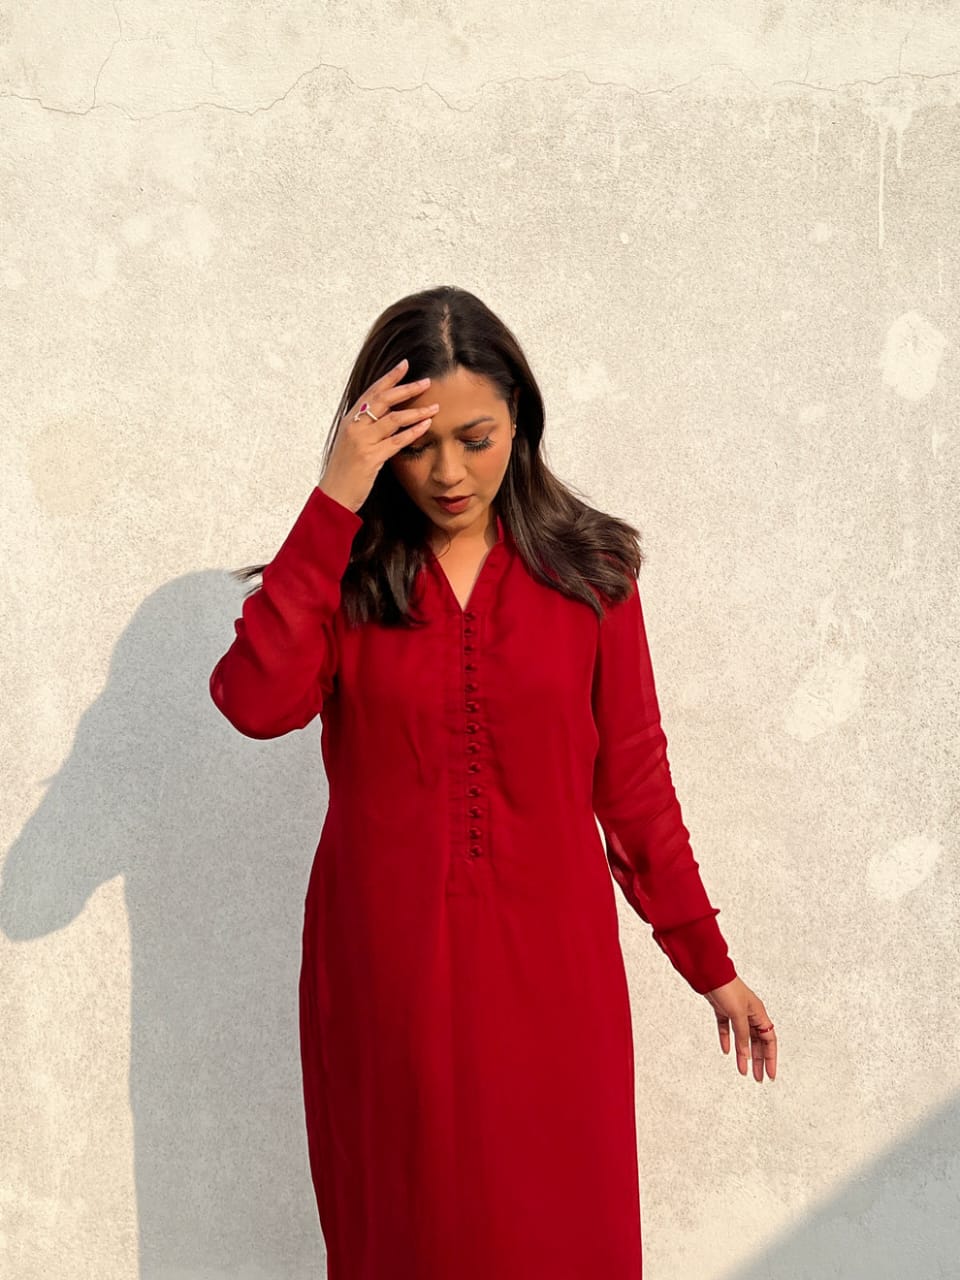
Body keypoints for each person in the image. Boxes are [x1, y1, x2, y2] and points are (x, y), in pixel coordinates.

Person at [208, 285, 777, 1280]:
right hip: (385, 970)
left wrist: (708, 958)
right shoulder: (344, 574)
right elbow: (256, 701)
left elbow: (635, 782)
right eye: (419, 443)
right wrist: (335, 496)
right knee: (408, 1234)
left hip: (554, 973)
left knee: (562, 1231)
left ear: (522, 416)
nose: (448, 471)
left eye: (477, 437)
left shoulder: (592, 570)